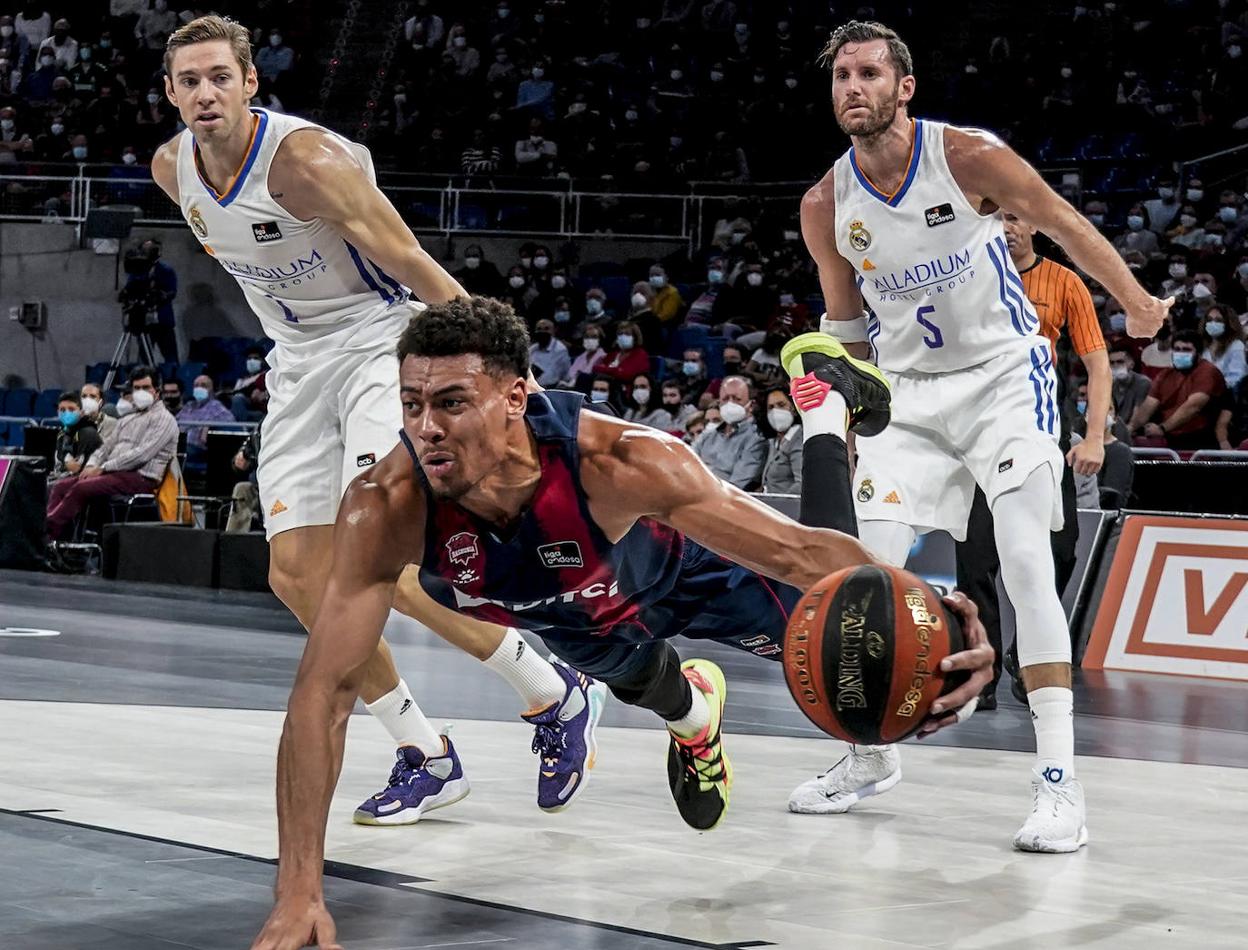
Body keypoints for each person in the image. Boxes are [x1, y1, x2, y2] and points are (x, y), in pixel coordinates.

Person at [249, 297, 992, 949]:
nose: (426, 428)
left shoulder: (622, 462)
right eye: (411, 405)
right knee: (656, 691)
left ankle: (825, 408)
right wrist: (298, 891)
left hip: (695, 577)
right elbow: (323, 695)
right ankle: (696, 718)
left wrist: (930, 612)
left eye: (451, 403)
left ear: (515, 398)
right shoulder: (386, 506)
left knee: (852, 640)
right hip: (577, 626)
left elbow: (802, 552)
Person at [151, 15, 588, 826]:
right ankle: (428, 754)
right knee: (296, 576)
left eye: (220, 76)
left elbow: (414, 262)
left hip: (375, 343)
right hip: (297, 360)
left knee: (380, 563)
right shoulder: (171, 168)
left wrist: (505, 373)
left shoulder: (308, 162)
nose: (205, 93)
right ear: (170, 93)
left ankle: (552, 691)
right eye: (189, 81)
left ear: (251, 82)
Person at [787, 20, 1168, 853]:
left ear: (904, 86)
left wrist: (1135, 301)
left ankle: (1059, 784)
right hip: (909, 397)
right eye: (841, 75)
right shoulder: (826, 205)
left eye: (869, 73)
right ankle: (868, 756)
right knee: (866, 576)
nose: (852, 86)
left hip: (1003, 377)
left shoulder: (967, 158)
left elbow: (1062, 221)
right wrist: (853, 412)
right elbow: (847, 327)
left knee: (1028, 564)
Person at [954, 209, 1112, 703]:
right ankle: (982, 676)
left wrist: (1094, 437)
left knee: (1060, 548)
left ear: (1036, 226)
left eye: (1017, 217)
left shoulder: (1064, 282)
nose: (1008, 226)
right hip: (979, 429)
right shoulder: (968, 275)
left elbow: (1097, 362)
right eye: (998, 217)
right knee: (976, 556)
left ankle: (1028, 657)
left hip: (1041, 430)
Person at [45, 366, 178, 541]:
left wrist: (103, 468)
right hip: (114, 474)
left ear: (157, 392)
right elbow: (105, 447)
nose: (140, 392)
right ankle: (59, 543)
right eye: (137, 388)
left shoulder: (165, 420)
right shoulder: (127, 419)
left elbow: (142, 454)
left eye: (146, 388)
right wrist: (93, 464)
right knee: (60, 486)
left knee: (81, 488)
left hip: (142, 477)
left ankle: (46, 532)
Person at [1128, 330, 1227, 450]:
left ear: (1199, 353)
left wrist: (1162, 428)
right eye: (1177, 349)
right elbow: (1148, 406)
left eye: (1186, 350)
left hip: (1200, 439)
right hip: (1170, 438)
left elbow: (1193, 407)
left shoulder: (1207, 371)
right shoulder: (1165, 375)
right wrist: (1130, 428)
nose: (1180, 353)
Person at [690, 376, 766, 489]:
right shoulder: (709, 434)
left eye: (736, 399)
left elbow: (737, 485)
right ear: (719, 402)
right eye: (725, 399)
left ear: (751, 405)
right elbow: (687, 463)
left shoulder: (756, 439)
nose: (730, 403)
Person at [177, 372, 236, 468]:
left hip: (198, 448)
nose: (199, 388)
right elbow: (175, 422)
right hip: (179, 443)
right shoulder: (189, 405)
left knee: (180, 451)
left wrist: (209, 425)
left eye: (204, 386)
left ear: (211, 390)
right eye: (196, 385)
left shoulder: (215, 406)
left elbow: (231, 422)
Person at [49, 391, 103, 483]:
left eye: (71, 409)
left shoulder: (88, 433)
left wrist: (65, 464)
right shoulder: (63, 433)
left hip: (85, 482)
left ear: (81, 412)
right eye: (62, 410)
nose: (66, 413)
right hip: (64, 478)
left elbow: (75, 468)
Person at [758, 386, 802, 493]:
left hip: (785, 507)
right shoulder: (774, 442)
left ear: (794, 408)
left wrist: (780, 504)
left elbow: (802, 484)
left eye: (781, 405)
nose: (775, 411)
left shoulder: (799, 440)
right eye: (771, 407)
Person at [1109, 343, 1153, 429]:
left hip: (1135, 431)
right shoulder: (1111, 384)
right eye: (1112, 363)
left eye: (1120, 362)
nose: (1115, 366)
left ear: (1131, 364)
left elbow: (1136, 418)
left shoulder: (1143, 383)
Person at [1201, 305, 1246, 389]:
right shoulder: (1203, 347)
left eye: (1218, 320)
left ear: (1228, 323)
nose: (1212, 323)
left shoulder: (1236, 346)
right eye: (1209, 320)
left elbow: (1236, 377)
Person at [528, 317, 570, 387]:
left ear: (553, 331)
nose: (542, 332)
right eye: (539, 329)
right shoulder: (532, 349)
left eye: (546, 329)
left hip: (551, 388)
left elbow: (561, 376)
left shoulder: (560, 350)